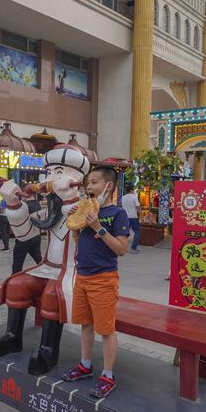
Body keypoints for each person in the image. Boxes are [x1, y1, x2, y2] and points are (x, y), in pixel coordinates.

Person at [60, 167, 130, 398]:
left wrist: (98, 227)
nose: (89, 187)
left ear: (109, 186)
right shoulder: (86, 209)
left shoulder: (117, 214)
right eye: (88, 183)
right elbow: (78, 240)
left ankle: (108, 376)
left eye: (95, 182)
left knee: (106, 330)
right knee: (86, 324)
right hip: (82, 276)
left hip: (103, 279)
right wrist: (76, 221)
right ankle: (85, 365)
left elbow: (121, 249)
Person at [11, 196, 43, 274]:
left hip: (25, 237)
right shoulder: (37, 204)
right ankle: (47, 273)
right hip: (36, 235)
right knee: (39, 259)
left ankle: (15, 278)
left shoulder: (24, 206)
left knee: (17, 263)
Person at [121, 183, 141, 253]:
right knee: (137, 232)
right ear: (132, 190)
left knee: (125, 232)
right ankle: (133, 248)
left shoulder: (123, 197)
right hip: (133, 217)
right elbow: (138, 207)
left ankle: (121, 245)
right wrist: (141, 215)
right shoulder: (134, 197)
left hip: (125, 217)